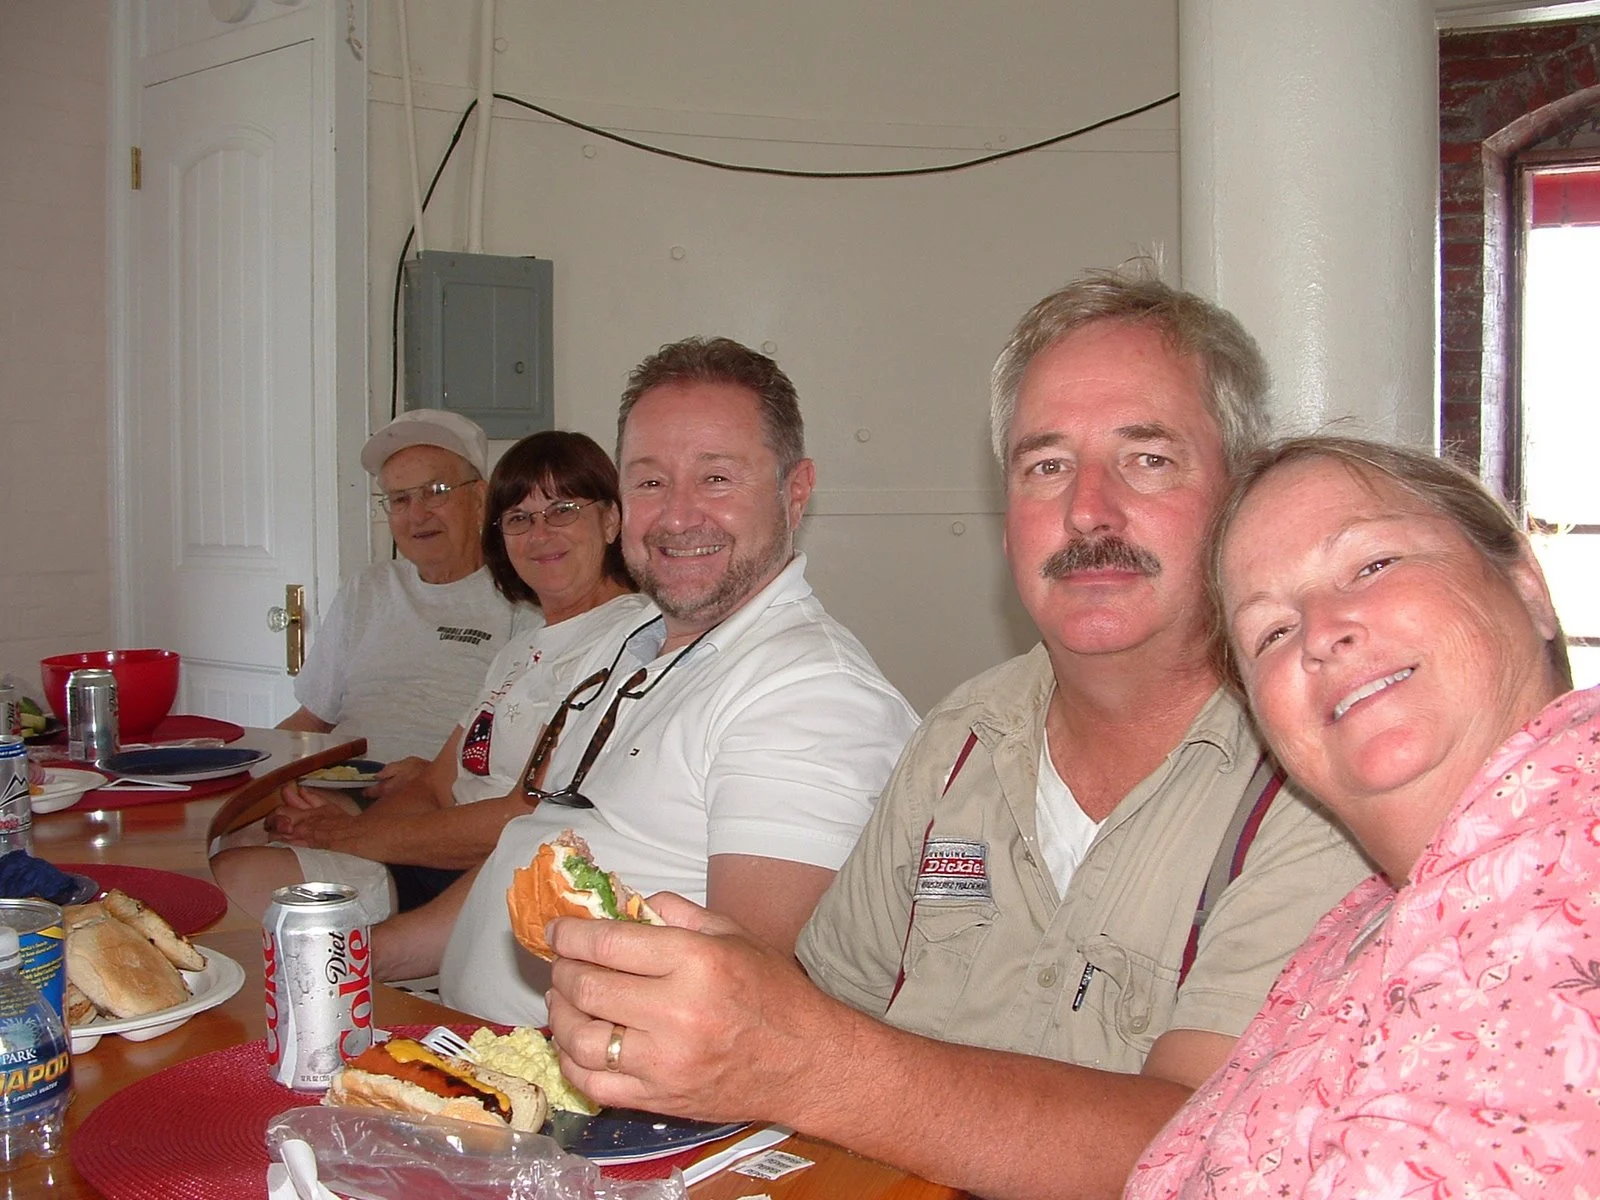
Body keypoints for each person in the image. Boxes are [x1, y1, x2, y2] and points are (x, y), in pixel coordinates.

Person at [541, 272, 1371, 1200]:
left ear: (1239, 491)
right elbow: (826, 1004)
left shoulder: (1322, 773)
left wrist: (795, 1054)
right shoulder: (959, 741)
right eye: (1045, 466)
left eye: (1146, 459)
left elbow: (1199, 1145)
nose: (1088, 511)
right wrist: (693, 1002)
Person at [372, 336, 920, 1024]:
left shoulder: (812, 697)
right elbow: (529, 850)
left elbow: (748, 1004)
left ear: (795, 492)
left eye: (717, 478)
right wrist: (356, 958)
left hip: (594, 1105)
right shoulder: (630, 646)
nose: (678, 515)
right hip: (467, 1046)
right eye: (651, 481)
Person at [1127, 436, 1596, 1196]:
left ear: (1528, 585)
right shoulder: (1374, 913)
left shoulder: (1573, 862)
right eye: (1270, 632)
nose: (1321, 633)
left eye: (1372, 565)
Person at [211, 431, 644, 923]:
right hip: (417, 843)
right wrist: (350, 837)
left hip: (476, 876)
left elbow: (523, 817)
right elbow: (439, 781)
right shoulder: (524, 650)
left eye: (562, 510)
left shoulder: (632, 640)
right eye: (520, 519)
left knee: (236, 886)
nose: (539, 534)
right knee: (225, 862)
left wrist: (353, 837)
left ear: (611, 520)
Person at [277, 409, 532, 765]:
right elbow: (312, 720)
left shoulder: (522, 599)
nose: (417, 514)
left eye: (435, 492)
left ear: (479, 499)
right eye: (399, 499)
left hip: (440, 801)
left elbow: (524, 747)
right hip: (337, 781)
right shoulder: (366, 589)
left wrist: (433, 782)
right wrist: (252, 771)